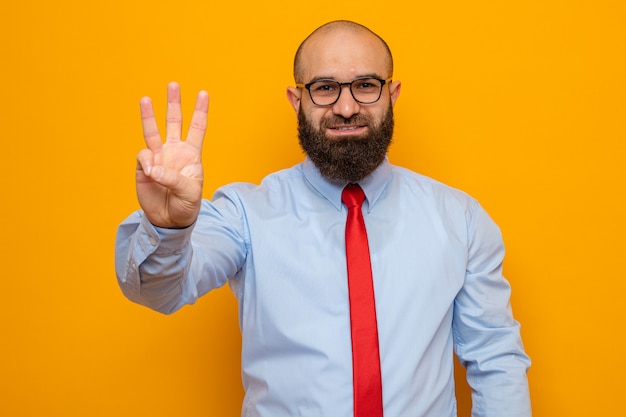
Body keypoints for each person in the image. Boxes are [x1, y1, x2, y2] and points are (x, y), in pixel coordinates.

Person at [115, 20, 531, 417]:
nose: (346, 107)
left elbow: (496, 359)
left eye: (366, 86)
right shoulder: (245, 215)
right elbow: (160, 292)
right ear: (297, 100)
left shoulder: (459, 218)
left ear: (392, 93)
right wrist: (169, 228)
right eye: (325, 88)